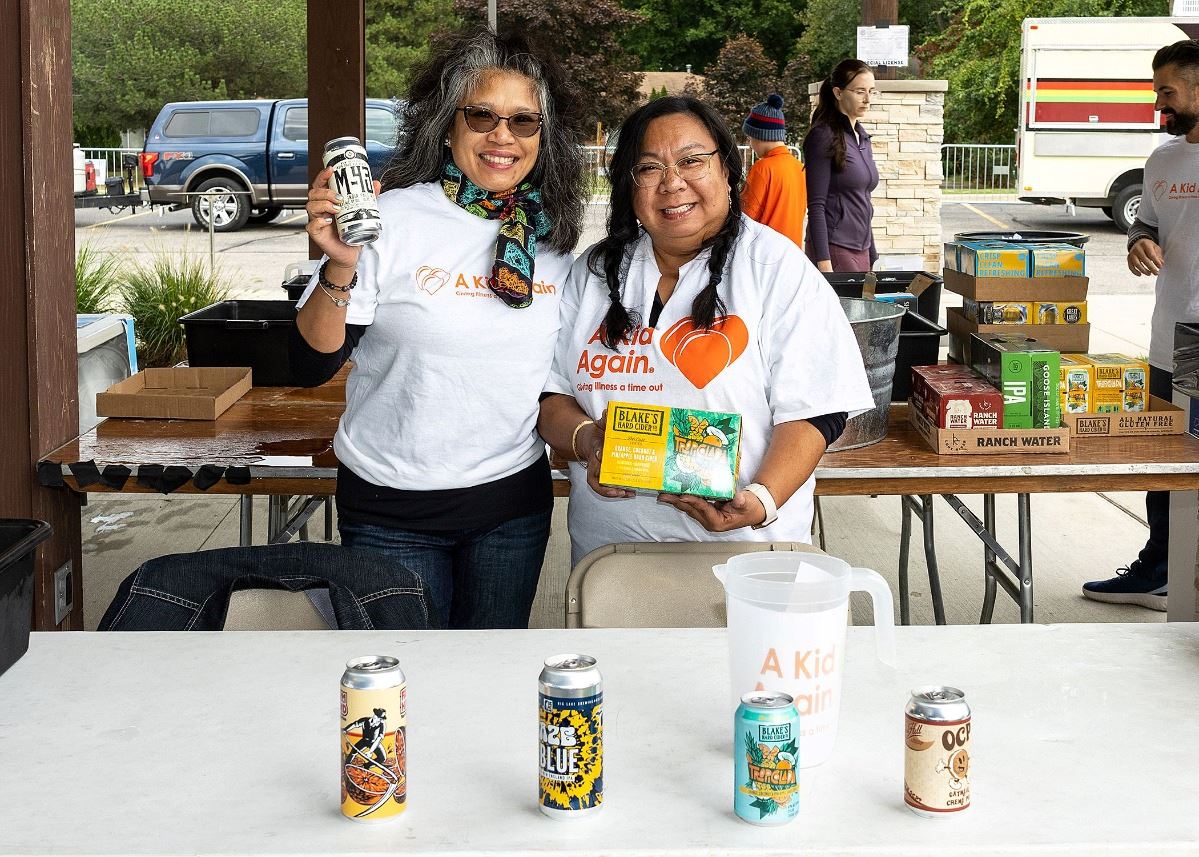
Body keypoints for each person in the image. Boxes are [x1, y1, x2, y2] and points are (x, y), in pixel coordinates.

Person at [290, 27, 587, 629]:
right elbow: (313, 363)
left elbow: (555, 380)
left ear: (544, 137)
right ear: (446, 125)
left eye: (523, 121)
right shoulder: (391, 219)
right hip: (391, 509)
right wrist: (340, 265)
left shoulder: (553, 239)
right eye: (481, 116)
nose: (502, 136)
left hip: (511, 507)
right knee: (403, 675)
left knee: (487, 671)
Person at [537, 96, 874, 565]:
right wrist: (588, 439)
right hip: (610, 556)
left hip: (747, 559)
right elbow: (551, 395)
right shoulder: (595, 272)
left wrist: (763, 497)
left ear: (727, 169)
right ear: (629, 185)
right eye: (649, 168)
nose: (672, 183)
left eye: (692, 161)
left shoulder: (775, 268)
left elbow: (818, 409)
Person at [1083, 39, 1199, 612]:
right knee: (1165, 459)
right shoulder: (1162, 161)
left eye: (1167, 92)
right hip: (1170, 336)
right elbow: (1145, 224)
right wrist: (1138, 241)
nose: (1159, 104)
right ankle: (1158, 569)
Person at [803, 59, 879, 273]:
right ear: (838, 93)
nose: (867, 99)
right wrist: (824, 262)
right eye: (860, 92)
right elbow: (816, 205)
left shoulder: (862, 138)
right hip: (834, 248)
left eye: (871, 91)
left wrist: (873, 254)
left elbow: (863, 200)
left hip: (861, 248)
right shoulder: (823, 136)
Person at [740, 93, 806, 249]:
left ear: (759, 135)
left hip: (764, 253)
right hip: (792, 252)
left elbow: (745, 218)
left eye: (750, 138)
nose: (750, 145)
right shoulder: (799, 167)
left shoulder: (762, 168)